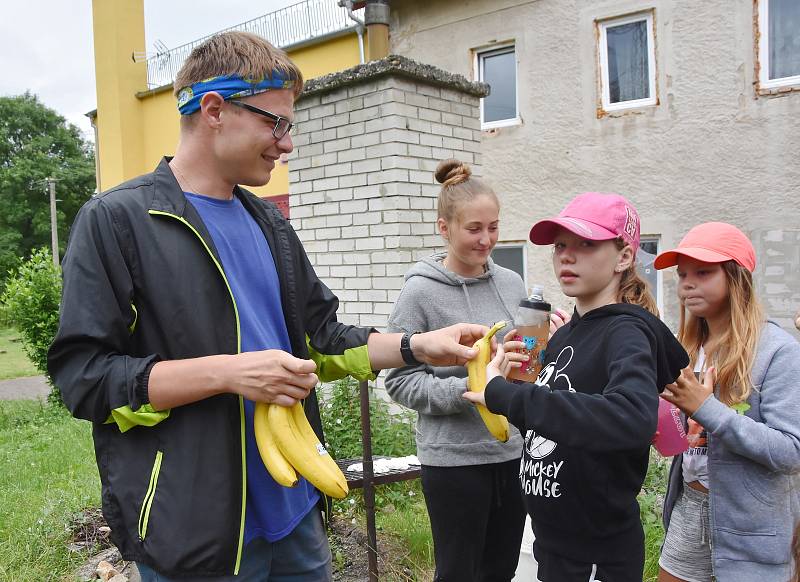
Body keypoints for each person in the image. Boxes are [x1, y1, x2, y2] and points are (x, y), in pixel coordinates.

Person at [46, 32, 488, 581]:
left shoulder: (270, 223)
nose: (287, 143)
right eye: (274, 122)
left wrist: (415, 346)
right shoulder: (117, 221)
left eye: (289, 125)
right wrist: (229, 374)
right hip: (195, 534)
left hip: (295, 507)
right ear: (214, 110)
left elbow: (322, 338)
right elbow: (84, 378)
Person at [463, 192, 688, 582]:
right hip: (553, 543)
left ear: (623, 257)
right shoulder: (566, 334)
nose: (567, 256)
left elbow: (630, 418)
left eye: (586, 244)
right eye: (561, 246)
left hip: (594, 553)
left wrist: (507, 395)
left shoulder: (626, 332)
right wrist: (515, 377)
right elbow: (555, 425)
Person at [384, 159, 527, 581]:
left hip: (512, 451)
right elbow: (399, 379)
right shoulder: (419, 292)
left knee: (501, 570)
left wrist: (538, 349)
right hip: (453, 462)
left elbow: (522, 357)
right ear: (444, 228)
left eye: (494, 227)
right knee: (459, 573)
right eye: (474, 229)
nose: (487, 240)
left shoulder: (512, 283)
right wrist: (470, 388)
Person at [652, 222, 800, 582]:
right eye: (682, 274)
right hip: (689, 509)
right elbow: (682, 440)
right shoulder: (683, 350)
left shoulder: (779, 352)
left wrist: (706, 407)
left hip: (751, 524)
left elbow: (791, 451)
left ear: (736, 277)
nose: (687, 284)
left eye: (703, 272)